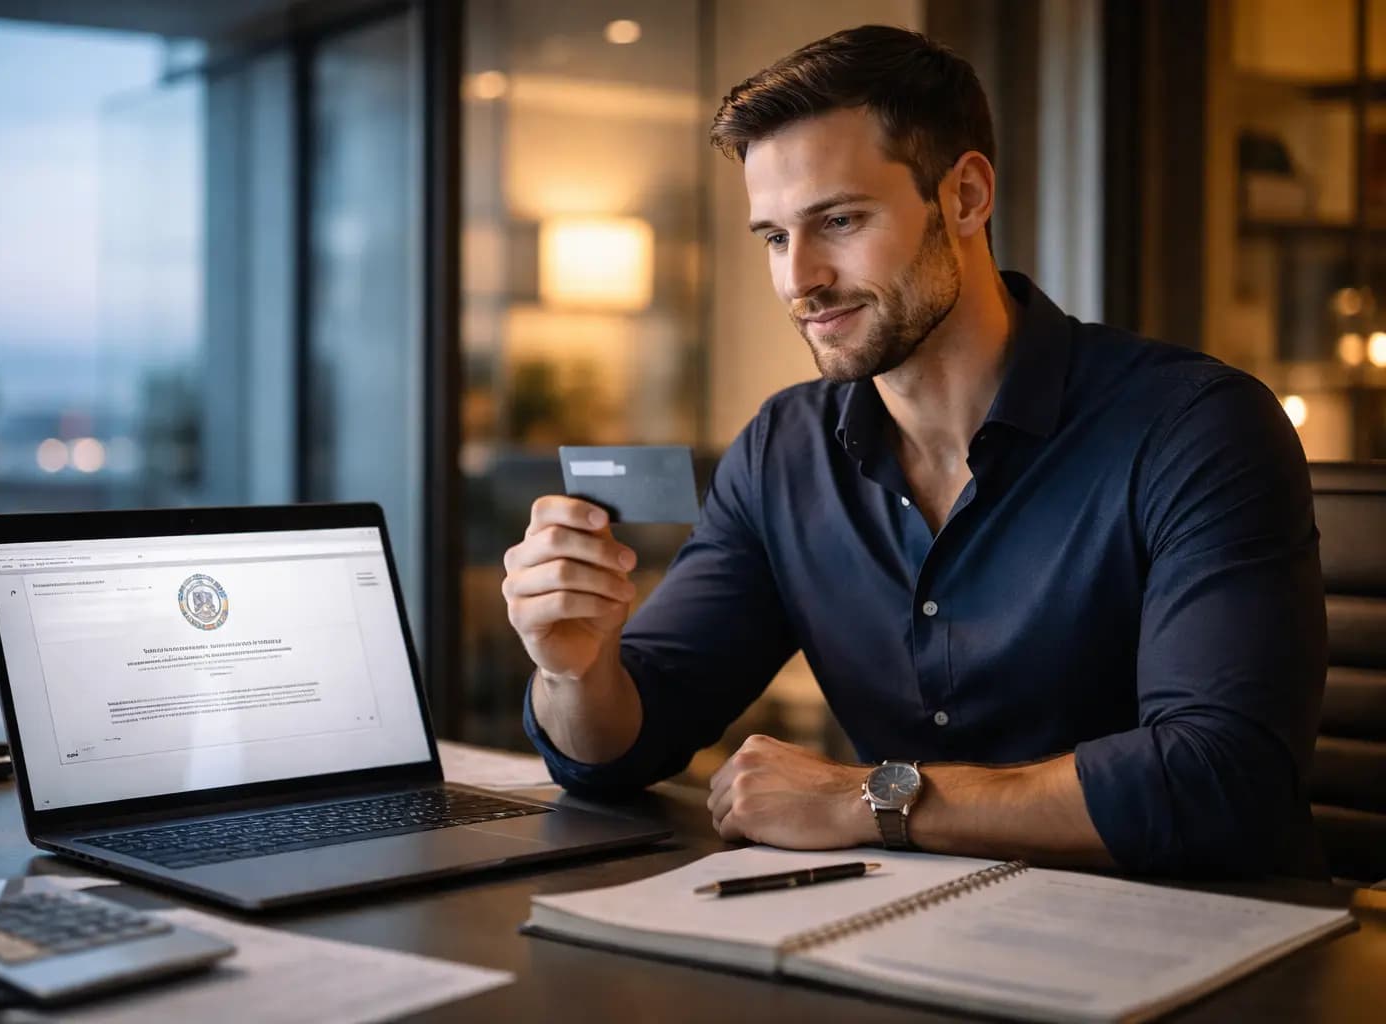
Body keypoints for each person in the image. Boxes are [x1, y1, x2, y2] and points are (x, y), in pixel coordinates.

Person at [499, 24, 1326, 876]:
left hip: (1193, 948)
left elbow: (1225, 778)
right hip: (911, 937)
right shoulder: (784, 451)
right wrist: (576, 669)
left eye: (841, 220)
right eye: (776, 238)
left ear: (965, 196)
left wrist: (869, 800)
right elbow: (623, 747)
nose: (799, 279)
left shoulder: (1196, 428)